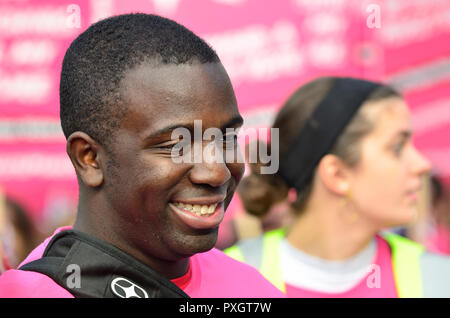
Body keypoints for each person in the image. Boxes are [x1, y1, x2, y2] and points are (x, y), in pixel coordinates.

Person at [0, 13, 284, 298]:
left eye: (227, 138)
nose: (217, 172)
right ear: (89, 158)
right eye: (177, 144)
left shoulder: (254, 290)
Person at [225, 76, 450, 297]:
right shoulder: (225, 282)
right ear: (337, 174)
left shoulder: (438, 278)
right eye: (397, 147)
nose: (423, 164)